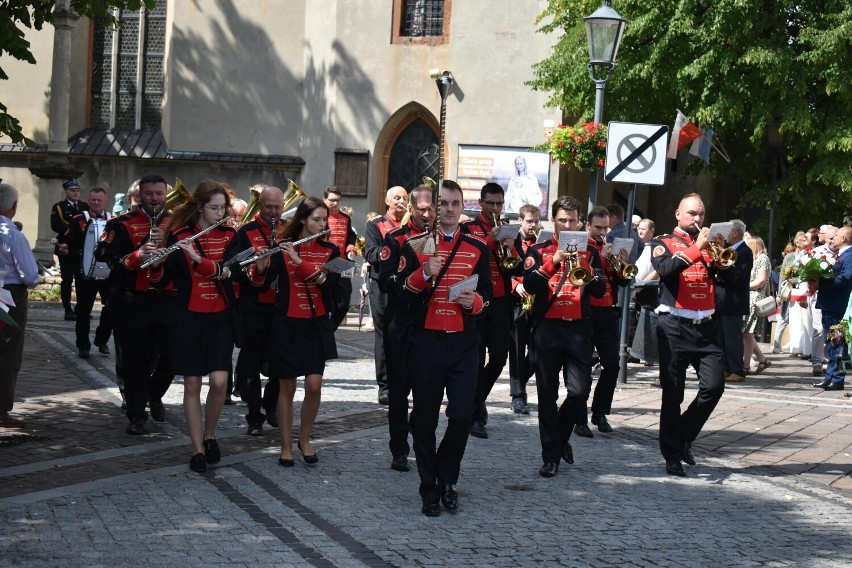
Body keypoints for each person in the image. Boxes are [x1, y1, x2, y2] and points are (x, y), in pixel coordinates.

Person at [394, 180, 491, 516]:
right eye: (443, 204)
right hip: (426, 341)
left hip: (464, 343)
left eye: (455, 203)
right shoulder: (416, 244)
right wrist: (423, 272)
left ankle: (448, 478)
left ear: (462, 207)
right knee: (423, 418)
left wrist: (475, 301)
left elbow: (489, 296)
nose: (449, 209)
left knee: (463, 414)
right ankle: (429, 488)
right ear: (434, 209)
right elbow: (402, 293)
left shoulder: (479, 246)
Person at [247, 196, 341, 467]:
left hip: (315, 324)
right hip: (287, 323)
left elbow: (329, 286)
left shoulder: (331, 251)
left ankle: (305, 437)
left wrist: (299, 261)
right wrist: (260, 268)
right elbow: (260, 286)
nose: (322, 224)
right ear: (303, 219)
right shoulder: (282, 248)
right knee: (286, 387)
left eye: (325, 219)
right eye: (317, 219)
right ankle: (287, 444)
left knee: (314, 385)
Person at [149, 180, 237, 473]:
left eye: (222, 207)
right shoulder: (180, 234)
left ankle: (210, 433)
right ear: (200, 207)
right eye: (214, 208)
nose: (219, 212)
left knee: (220, 382)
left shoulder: (229, 235)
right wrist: (155, 263)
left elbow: (229, 273)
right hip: (189, 316)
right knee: (192, 383)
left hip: (220, 315)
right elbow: (163, 281)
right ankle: (198, 449)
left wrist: (198, 259)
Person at [651, 193, 735, 476]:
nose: (697, 219)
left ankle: (684, 436)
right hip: (674, 326)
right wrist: (696, 249)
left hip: (706, 326)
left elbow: (730, 281)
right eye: (691, 214)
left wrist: (722, 258)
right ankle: (672, 455)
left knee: (714, 387)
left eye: (700, 214)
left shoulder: (711, 246)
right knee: (673, 393)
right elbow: (665, 270)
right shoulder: (663, 242)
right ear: (678, 214)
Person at [524, 195, 605, 478]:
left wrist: (592, 272)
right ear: (554, 221)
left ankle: (559, 438)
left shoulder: (592, 252)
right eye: (562, 220)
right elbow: (529, 284)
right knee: (546, 395)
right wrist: (553, 262)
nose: (567, 225)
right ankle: (550, 456)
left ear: (580, 221)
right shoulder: (539, 249)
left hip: (578, 330)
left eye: (572, 220)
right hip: (546, 328)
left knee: (579, 392)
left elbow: (599, 291)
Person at [96, 174, 175, 434]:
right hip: (132, 300)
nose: (154, 199)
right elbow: (106, 257)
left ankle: (153, 393)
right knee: (133, 360)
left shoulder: (176, 223)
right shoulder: (121, 223)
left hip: (167, 299)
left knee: (172, 356)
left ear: (165, 194)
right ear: (140, 195)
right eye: (149, 194)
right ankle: (137, 414)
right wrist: (136, 256)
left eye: (159, 194)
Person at [378, 184, 434, 472]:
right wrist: (408, 281)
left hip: (430, 322)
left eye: (430, 208)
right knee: (399, 390)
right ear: (411, 209)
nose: (426, 214)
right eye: (421, 209)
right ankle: (399, 449)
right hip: (401, 319)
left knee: (426, 387)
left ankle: (418, 430)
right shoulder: (396, 238)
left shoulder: (442, 238)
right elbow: (384, 278)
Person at [462, 182, 520, 439]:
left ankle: (477, 400)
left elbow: (515, 267)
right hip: (476, 297)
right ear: (481, 204)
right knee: (475, 358)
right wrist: (490, 239)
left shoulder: (507, 227)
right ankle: (476, 414)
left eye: (499, 203)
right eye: (491, 203)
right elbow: (468, 257)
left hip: (500, 301)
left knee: (498, 357)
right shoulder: (469, 228)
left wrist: (510, 245)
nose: (495, 208)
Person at [225, 186, 284, 435]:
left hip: (282, 307)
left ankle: (270, 405)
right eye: (268, 207)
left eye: (277, 207)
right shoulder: (246, 232)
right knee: (251, 363)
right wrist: (255, 269)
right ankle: (254, 416)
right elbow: (232, 266)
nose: (273, 212)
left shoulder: (289, 230)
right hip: (253, 306)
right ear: (260, 205)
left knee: (280, 364)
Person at [580, 206, 631, 435]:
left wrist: (621, 267)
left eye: (605, 228)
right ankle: (579, 417)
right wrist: (601, 258)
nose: (602, 232)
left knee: (612, 364)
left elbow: (622, 283)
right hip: (586, 311)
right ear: (588, 226)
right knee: (582, 367)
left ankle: (599, 412)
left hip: (608, 312)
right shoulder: (583, 248)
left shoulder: (611, 248)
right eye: (598, 228)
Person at [364, 186, 409, 404]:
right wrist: (391, 249)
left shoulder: (411, 225)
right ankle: (384, 385)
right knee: (383, 335)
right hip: (381, 283)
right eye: (397, 198)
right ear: (387, 201)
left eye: (405, 198)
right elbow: (370, 253)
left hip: (406, 285)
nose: (401, 202)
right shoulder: (375, 225)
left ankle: (404, 380)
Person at [0, 183, 40, 428]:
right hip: (10, 297)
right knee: (7, 354)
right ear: (13, 207)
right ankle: (1, 411)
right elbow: (30, 276)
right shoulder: (13, 234)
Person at [59, 187, 113, 358]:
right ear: (89, 201)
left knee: (112, 308)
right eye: (93, 200)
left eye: (99, 200)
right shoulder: (79, 219)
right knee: (83, 309)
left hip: (108, 273)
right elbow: (67, 241)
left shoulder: (114, 221)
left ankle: (102, 339)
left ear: (105, 201)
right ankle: (83, 345)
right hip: (85, 274)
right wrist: (65, 248)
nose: (96, 203)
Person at [508, 203, 541, 414]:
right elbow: (505, 269)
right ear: (520, 221)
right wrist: (516, 285)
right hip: (517, 300)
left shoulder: (541, 242)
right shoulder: (511, 241)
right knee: (517, 350)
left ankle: (520, 380)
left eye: (536, 221)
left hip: (537, 301)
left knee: (538, 350)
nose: (533, 225)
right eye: (529, 221)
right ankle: (518, 395)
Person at [812, 227, 852, 391]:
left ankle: (837, 379)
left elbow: (846, 278)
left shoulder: (849, 255)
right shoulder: (841, 254)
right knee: (830, 343)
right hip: (831, 305)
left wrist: (822, 284)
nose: (833, 238)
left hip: (838, 307)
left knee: (836, 342)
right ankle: (830, 377)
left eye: (835, 236)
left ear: (843, 237)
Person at [713, 220, 752, 382]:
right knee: (720, 338)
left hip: (733, 302)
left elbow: (734, 277)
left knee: (732, 339)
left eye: (727, 231)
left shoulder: (745, 251)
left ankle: (737, 370)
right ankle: (725, 369)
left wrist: (721, 255)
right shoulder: (728, 250)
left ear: (735, 233)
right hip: (721, 300)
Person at [51, 180, 90, 320]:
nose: (76, 193)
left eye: (78, 190)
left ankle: (80, 309)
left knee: (82, 280)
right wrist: (74, 230)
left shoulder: (85, 206)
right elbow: (55, 225)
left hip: (81, 248)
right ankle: (68, 309)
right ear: (66, 192)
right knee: (67, 280)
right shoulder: (59, 207)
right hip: (65, 247)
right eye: (73, 190)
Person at [323, 186, 357, 328]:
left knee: (343, 304)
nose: (335, 203)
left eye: (338, 200)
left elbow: (351, 235)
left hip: (341, 265)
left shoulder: (345, 217)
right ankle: (324, 331)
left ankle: (330, 329)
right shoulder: (319, 216)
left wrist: (351, 247)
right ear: (324, 200)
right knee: (324, 302)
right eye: (332, 200)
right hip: (323, 266)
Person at [743, 236, 772, 374]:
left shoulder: (762, 259)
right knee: (746, 333)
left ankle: (746, 365)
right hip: (752, 297)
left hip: (754, 299)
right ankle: (762, 359)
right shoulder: (757, 259)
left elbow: (761, 281)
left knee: (747, 332)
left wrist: (742, 287)